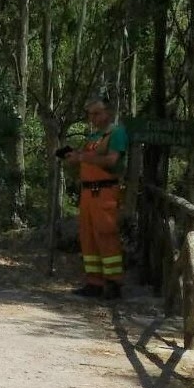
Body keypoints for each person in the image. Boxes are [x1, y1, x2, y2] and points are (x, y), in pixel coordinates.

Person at [63, 95, 128, 300]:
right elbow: (88, 160)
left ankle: (114, 282)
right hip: (87, 193)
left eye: (97, 113)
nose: (93, 118)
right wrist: (73, 157)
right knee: (88, 236)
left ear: (108, 113)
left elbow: (111, 160)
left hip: (106, 191)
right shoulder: (92, 137)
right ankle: (94, 282)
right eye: (90, 114)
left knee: (106, 235)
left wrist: (83, 157)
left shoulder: (116, 133)